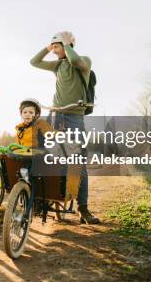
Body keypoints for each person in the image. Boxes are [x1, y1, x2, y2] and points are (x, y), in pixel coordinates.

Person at [30, 31, 100, 224]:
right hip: (55, 115)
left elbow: (77, 62)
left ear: (68, 44)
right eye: (53, 48)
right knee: (45, 156)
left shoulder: (84, 61)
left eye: (57, 47)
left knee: (78, 163)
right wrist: (48, 46)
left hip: (74, 117)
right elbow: (34, 62)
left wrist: (66, 44)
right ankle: (40, 199)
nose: (54, 51)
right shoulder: (57, 65)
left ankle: (83, 208)